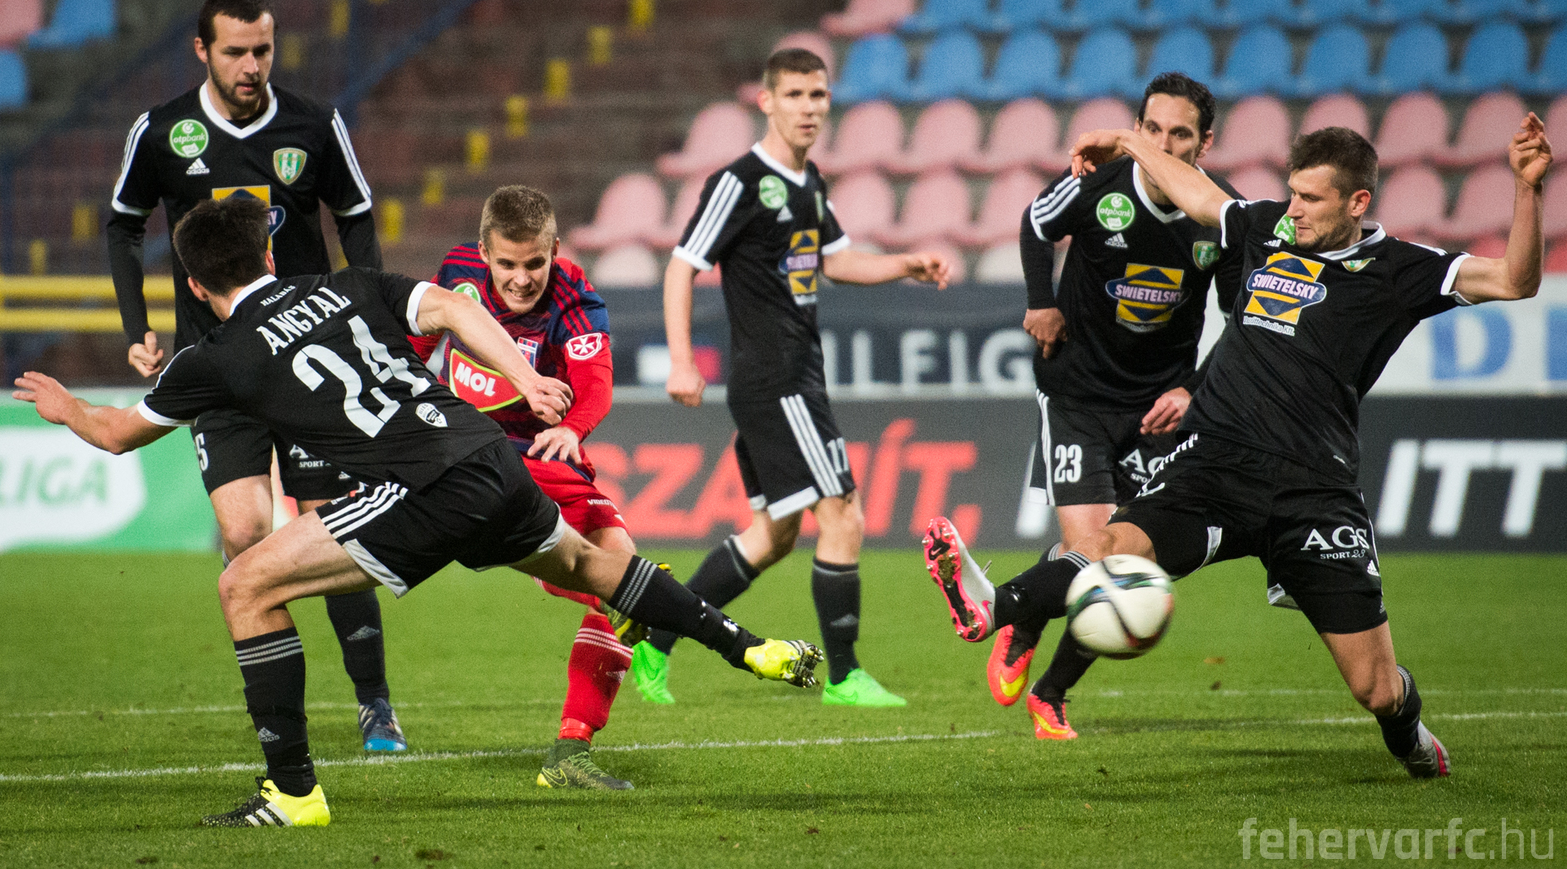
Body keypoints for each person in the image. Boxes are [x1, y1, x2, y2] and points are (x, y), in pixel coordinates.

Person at [16, 197, 825, 827]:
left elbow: (118, 433)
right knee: (591, 564)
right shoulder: (347, 285)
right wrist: (525, 376)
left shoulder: (215, 359)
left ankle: (293, 792)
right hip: (489, 457)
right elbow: (456, 309)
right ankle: (748, 647)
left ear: (195, 286)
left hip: (421, 488)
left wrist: (65, 407)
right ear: (268, 255)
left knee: (245, 586)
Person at [925, 114, 1551, 777]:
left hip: (1314, 491)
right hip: (1214, 465)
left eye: (1311, 199)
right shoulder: (1263, 227)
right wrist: (1131, 144)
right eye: (1292, 193)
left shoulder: (1400, 269)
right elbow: (1197, 193)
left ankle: (1407, 732)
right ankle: (992, 608)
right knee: (1107, 546)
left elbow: (1516, 280)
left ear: (1357, 202)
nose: (1294, 209)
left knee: (1375, 688)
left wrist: (1527, 187)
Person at [105, 0, 406, 751]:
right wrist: (139, 329)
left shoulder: (314, 124)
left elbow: (356, 216)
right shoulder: (163, 130)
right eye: (235, 51)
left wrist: (365, 306)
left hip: (309, 360)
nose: (251, 65)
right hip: (219, 368)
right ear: (202, 50)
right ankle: (283, 703)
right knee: (245, 534)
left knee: (328, 527)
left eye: (262, 50)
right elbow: (123, 225)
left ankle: (374, 701)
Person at [629, 47, 950, 708]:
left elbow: (837, 261)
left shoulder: (810, 182)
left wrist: (905, 264)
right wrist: (683, 359)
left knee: (772, 536)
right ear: (767, 101)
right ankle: (845, 677)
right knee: (844, 515)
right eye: (796, 95)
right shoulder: (741, 181)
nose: (809, 108)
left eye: (818, 95)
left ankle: (655, 641)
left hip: (792, 376)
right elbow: (682, 265)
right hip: (777, 379)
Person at [1002, 72, 1241, 740]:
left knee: (1124, 560)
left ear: (1204, 143)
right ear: (1137, 130)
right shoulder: (1098, 184)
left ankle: (1050, 688)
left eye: (1180, 134)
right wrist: (1041, 302)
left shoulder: (1220, 215)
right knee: (1093, 551)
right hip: (1076, 394)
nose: (1164, 144)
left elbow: (1243, 321)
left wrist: (1191, 389)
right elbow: (1035, 223)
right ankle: (1025, 626)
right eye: (1152, 129)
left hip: (1157, 409)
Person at [409, 185, 647, 790]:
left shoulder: (574, 298)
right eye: (508, 264)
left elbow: (595, 383)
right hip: (467, 455)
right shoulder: (456, 274)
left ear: (555, 250)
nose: (521, 279)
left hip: (543, 453)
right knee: (624, 587)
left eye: (535, 263)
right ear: (484, 251)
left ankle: (570, 752)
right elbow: (412, 347)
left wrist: (571, 428)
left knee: (626, 579)